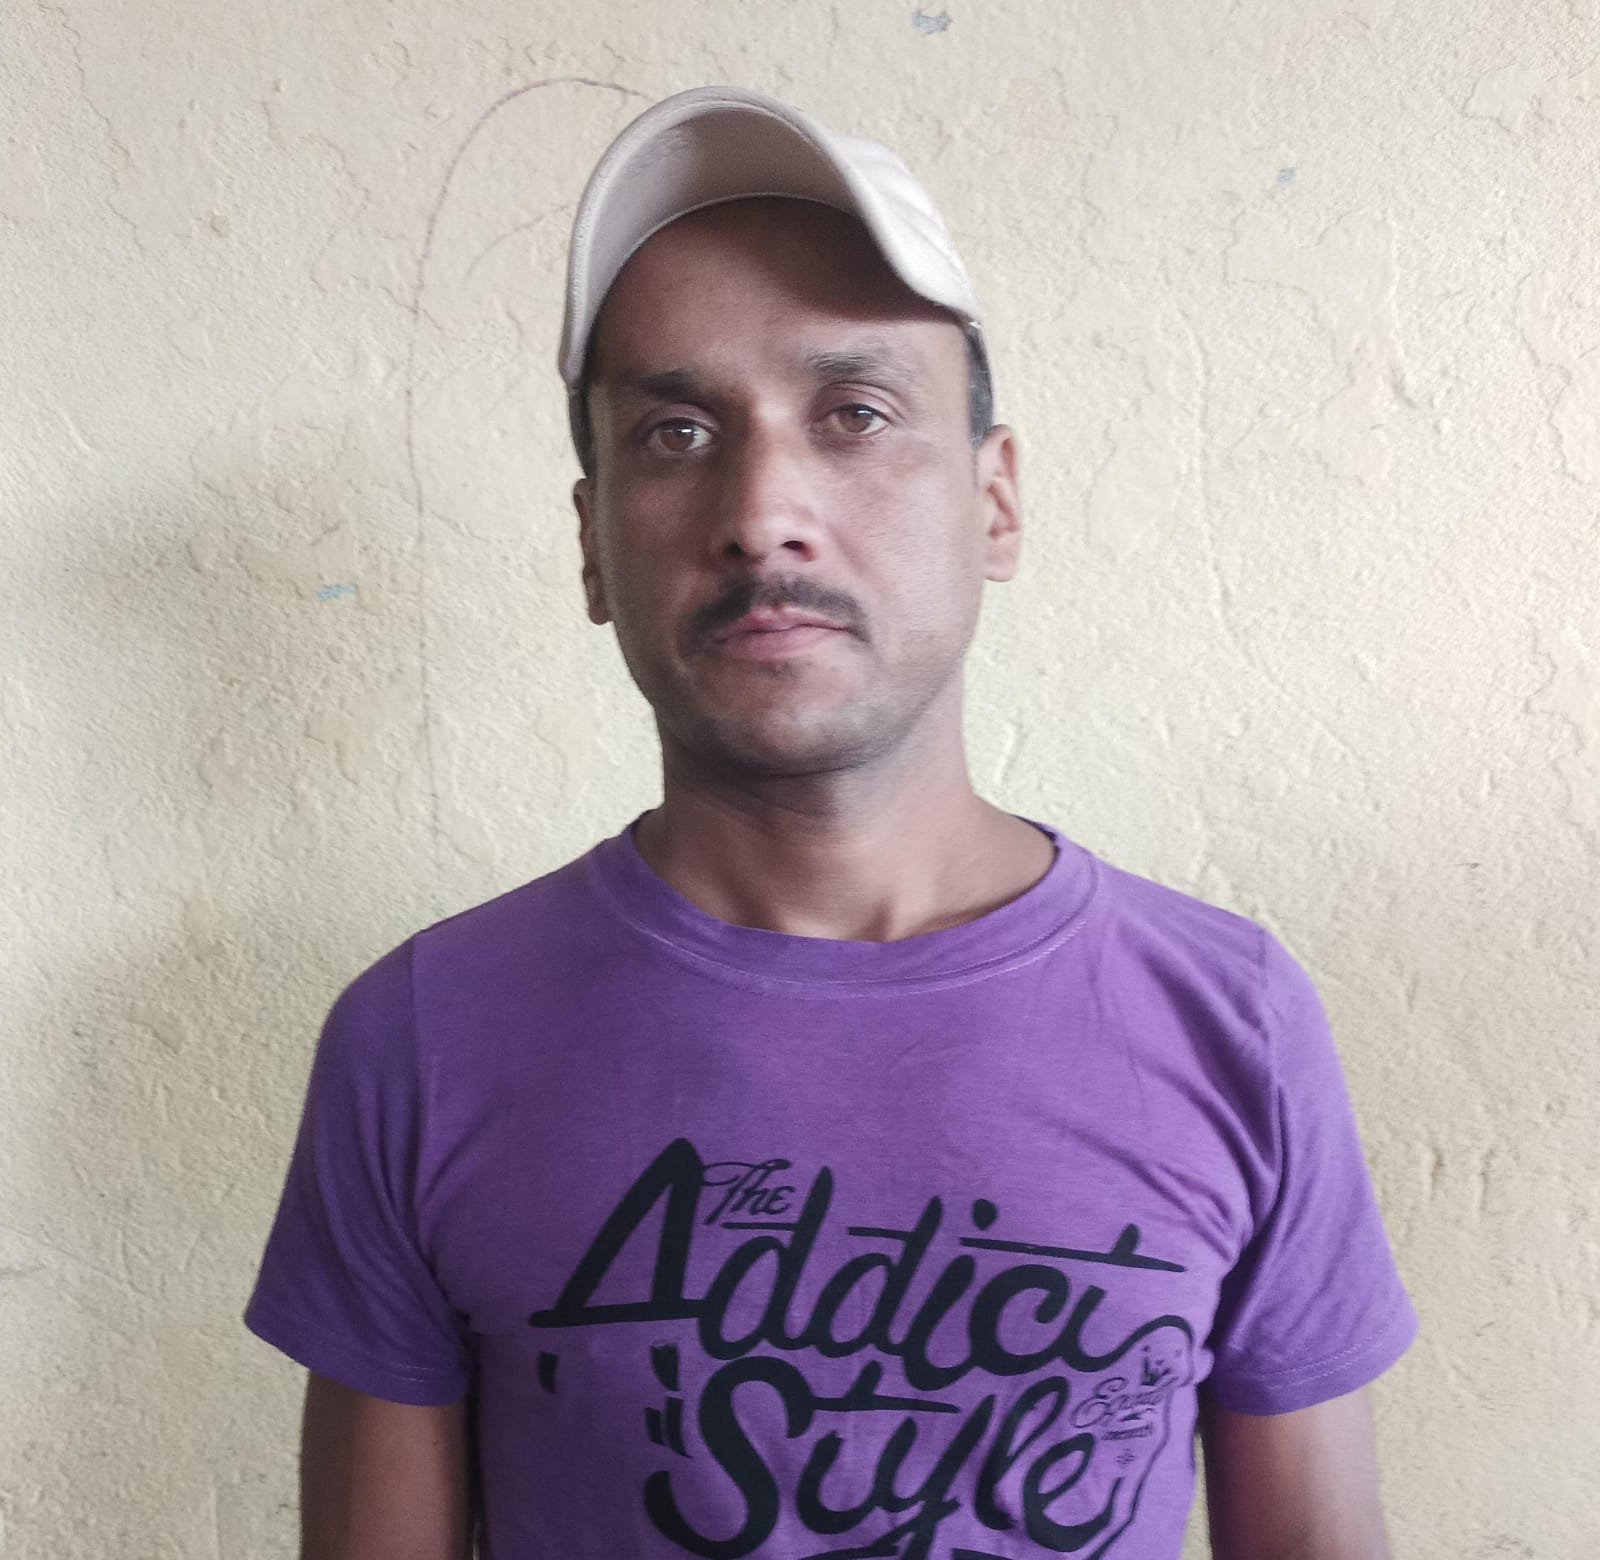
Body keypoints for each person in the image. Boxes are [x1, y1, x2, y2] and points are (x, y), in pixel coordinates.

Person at [244, 86, 1417, 1560]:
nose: (763, 510)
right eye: (676, 432)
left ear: (996, 502)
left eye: (855, 415)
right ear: (593, 543)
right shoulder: (424, 1038)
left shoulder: (1231, 1020)